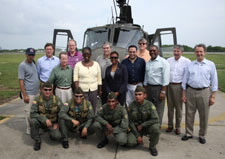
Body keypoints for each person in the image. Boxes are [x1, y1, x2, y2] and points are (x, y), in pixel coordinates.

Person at [181, 44, 218, 144]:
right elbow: (185, 81)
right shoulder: (190, 65)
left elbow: (214, 81)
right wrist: (184, 94)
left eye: (201, 51)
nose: (199, 53)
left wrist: (213, 96)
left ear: (205, 52)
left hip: (204, 92)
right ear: (195, 53)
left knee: (204, 115)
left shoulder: (210, 65)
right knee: (189, 114)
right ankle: (189, 133)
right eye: (197, 51)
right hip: (191, 91)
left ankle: (202, 135)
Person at [127, 86, 160, 156]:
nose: (137, 96)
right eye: (136, 94)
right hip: (136, 129)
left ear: (145, 95)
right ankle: (138, 139)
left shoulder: (150, 105)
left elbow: (155, 119)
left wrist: (143, 125)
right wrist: (137, 135)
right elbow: (130, 122)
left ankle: (152, 147)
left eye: (139, 94)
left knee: (156, 128)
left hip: (147, 127)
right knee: (130, 142)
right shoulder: (132, 105)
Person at [30, 82, 62, 151]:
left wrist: (58, 123)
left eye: (49, 90)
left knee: (56, 137)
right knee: (33, 121)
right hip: (42, 122)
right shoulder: (37, 99)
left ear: (52, 90)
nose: (47, 92)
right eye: (45, 90)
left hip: (52, 123)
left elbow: (62, 113)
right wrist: (45, 120)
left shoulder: (57, 99)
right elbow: (32, 113)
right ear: (42, 90)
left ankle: (51, 132)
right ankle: (37, 141)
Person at [166, 45, 191, 135]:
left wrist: (185, 89)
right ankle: (170, 125)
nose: (176, 53)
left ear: (182, 52)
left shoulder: (187, 61)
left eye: (178, 51)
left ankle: (178, 126)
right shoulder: (169, 60)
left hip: (179, 87)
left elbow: (187, 76)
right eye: (175, 51)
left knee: (179, 108)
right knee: (170, 108)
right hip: (169, 86)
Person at [143, 45, 170, 126]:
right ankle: (150, 127)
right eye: (150, 50)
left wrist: (163, 91)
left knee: (158, 110)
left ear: (158, 51)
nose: (152, 52)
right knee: (149, 109)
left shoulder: (163, 62)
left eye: (154, 50)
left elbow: (166, 78)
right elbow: (146, 77)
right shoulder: (148, 63)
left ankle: (157, 128)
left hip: (159, 88)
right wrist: (145, 90)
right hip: (149, 88)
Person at [74, 47, 102, 113]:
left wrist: (100, 90)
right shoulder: (78, 65)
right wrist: (78, 90)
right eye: (85, 54)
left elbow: (99, 78)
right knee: (83, 107)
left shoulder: (96, 64)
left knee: (93, 107)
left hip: (94, 90)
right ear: (82, 55)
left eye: (88, 53)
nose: (86, 55)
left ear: (91, 54)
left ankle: (92, 120)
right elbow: (76, 79)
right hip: (82, 91)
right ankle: (84, 121)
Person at [18, 48, 40, 135]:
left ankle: (35, 127)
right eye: (29, 55)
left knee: (36, 111)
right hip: (29, 93)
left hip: (36, 92)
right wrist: (25, 94)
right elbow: (21, 81)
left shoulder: (34, 63)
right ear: (26, 55)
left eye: (33, 55)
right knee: (28, 112)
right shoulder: (22, 65)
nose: (31, 57)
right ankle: (29, 128)